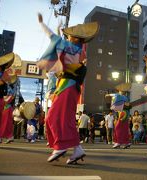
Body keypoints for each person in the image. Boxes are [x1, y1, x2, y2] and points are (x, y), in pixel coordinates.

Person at [36, 13, 99, 164]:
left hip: (66, 85)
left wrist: (41, 23)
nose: (68, 37)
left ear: (75, 38)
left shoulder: (68, 46)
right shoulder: (80, 50)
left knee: (53, 116)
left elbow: (53, 37)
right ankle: (77, 150)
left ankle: (60, 146)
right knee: (68, 119)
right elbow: (61, 42)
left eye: (70, 36)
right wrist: (59, 31)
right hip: (73, 87)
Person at [106, 84, 132, 149]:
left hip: (123, 114)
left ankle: (118, 142)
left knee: (118, 128)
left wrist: (108, 95)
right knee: (124, 129)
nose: (119, 91)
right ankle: (126, 142)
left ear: (122, 91)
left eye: (119, 90)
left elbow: (115, 95)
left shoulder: (120, 96)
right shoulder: (126, 97)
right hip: (126, 114)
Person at [0, 53, 14, 144]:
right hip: (2, 101)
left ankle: (4, 136)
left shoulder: (2, 75)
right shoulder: (5, 76)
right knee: (3, 121)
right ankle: (3, 137)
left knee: (4, 121)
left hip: (5, 103)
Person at [0, 75, 17, 144]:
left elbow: (8, 97)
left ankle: (0, 137)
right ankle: (9, 137)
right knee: (8, 123)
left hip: (6, 106)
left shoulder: (8, 86)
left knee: (3, 123)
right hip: (8, 107)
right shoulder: (13, 88)